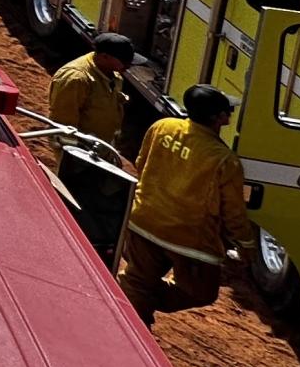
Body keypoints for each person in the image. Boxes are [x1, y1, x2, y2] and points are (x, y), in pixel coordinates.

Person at [118, 84, 258, 325]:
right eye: (228, 111)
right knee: (200, 292)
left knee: (138, 280)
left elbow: (142, 163)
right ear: (220, 118)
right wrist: (246, 244)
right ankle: (139, 303)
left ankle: (133, 305)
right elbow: (233, 211)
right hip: (189, 239)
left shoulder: (162, 127)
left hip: (142, 220)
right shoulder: (224, 159)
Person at [48, 33, 135, 161]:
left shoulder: (113, 74)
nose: (128, 67)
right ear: (104, 57)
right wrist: (72, 159)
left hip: (99, 150)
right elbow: (62, 125)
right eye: (124, 62)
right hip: (78, 155)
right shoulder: (76, 79)